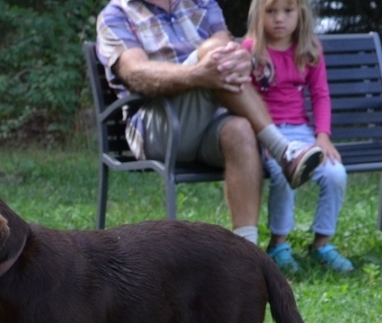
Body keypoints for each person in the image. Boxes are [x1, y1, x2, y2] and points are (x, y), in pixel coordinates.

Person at [94, 0, 327, 246]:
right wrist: (199, 74)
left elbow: (233, 54)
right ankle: (283, 150)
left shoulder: (202, 4)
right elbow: (137, 73)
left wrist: (241, 61)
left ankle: (245, 253)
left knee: (241, 130)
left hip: (208, 118)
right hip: (158, 124)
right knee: (213, 52)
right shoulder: (116, 14)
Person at [244, 0, 353, 273]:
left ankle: (322, 244)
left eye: (287, 11)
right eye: (271, 11)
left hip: (302, 133)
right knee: (283, 174)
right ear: (259, 14)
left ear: (300, 13)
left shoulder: (309, 49)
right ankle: (279, 244)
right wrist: (263, 139)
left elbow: (320, 95)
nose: (279, 19)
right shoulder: (250, 51)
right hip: (265, 131)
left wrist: (323, 136)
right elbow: (242, 99)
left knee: (335, 174)